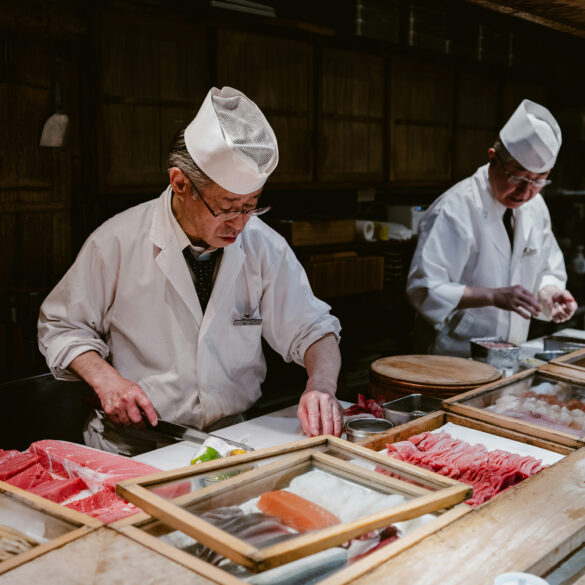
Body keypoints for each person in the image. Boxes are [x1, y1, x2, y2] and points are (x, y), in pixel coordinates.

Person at [38, 86, 343, 455]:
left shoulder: (265, 245)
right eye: (227, 206)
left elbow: (315, 331)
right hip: (133, 446)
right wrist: (106, 380)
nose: (240, 224)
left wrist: (321, 386)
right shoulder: (117, 240)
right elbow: (61, 326)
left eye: (251, 206)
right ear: (180, 184)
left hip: (232, 440)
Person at [407, 99, 577, 357]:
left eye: (538, 181)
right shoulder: (456, 207)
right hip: (453, 355)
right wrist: (491, 296)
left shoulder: (536, 206)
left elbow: (546, 267)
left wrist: (550, 292)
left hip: (510, 351)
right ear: (493, 158)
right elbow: (425, 288)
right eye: (517, 177)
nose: (525, 191)